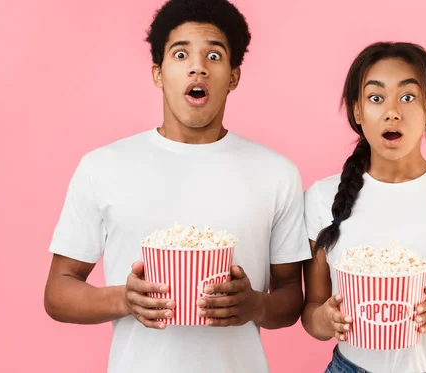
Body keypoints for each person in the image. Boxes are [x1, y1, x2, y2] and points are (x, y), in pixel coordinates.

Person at [43, 1, 311, 372]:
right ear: (159, 73)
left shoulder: (277, 173)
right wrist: (124, 300)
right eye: (180, 53)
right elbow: (57, 291)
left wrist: (256, 305)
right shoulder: (102, 168)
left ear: (233, 76)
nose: (197, 66)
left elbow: (290, 296)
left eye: (214, 55)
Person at [301, 42, 426, 373]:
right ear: (357, 111)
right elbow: (311, 312)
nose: (392, 111)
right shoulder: (322, 197)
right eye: (375, 98)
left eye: (407, 97)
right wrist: (326, 319)